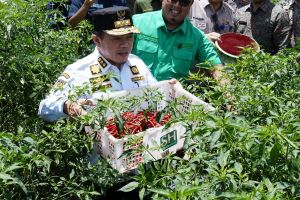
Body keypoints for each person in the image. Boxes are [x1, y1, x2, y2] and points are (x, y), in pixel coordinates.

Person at [39, 6, 157, 122]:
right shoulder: (79, 71)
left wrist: (170, 87)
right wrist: (68, 106)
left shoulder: (137, 63)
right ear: (97, 40)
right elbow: (44, 108)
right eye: (117, 39)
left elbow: (158, 94)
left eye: (129, 37)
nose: (125, 44)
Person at [131, 0, 225, 84]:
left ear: (191, 4)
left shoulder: (197, 37)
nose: (177, 5)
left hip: (171, 100)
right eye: (173, 0)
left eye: (184, 2)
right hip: (135, 95)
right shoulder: (137, 23)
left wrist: (231, 98)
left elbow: (217, 69)